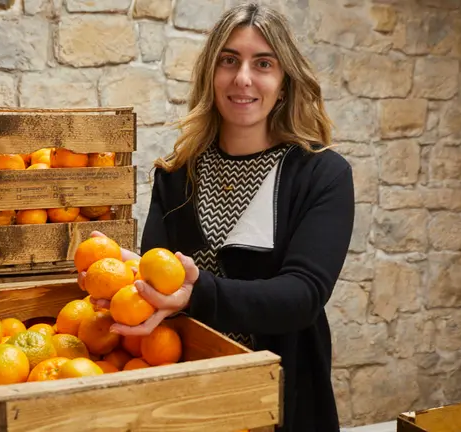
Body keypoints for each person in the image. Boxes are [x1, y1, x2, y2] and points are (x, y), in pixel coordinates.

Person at [79, 3, 354, 432]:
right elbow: (157, 282)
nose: (243, 78)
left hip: (283, 401)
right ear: (211, 73)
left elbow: (302, 297)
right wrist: (126, 281)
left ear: (283, 83)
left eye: (263, 63)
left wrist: (196, 293)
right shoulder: (175, 176)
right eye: (229, 60)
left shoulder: (321, 174)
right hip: (189, 400)